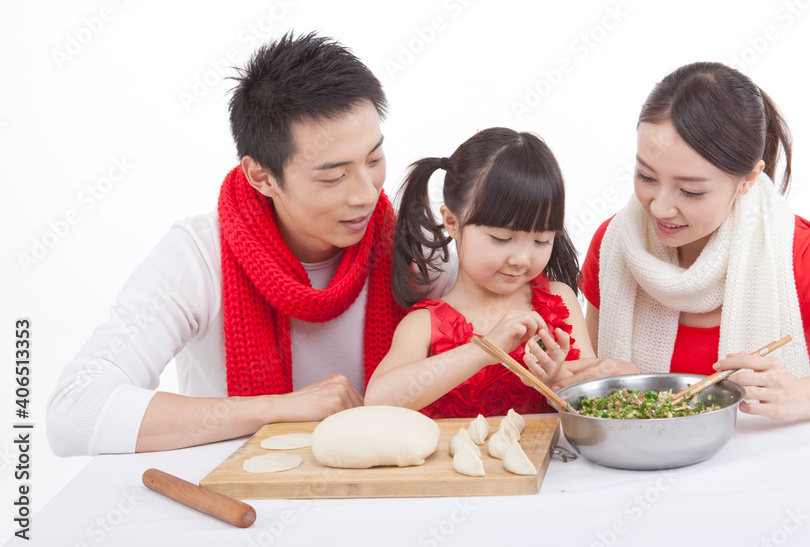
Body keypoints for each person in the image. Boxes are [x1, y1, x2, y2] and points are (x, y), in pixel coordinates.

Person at [47, 32, 446, 456]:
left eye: (374, 160)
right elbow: (73, 413)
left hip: (390, 496)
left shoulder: (413, 246)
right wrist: (278, 409)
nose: (367, 194)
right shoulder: (199, 257)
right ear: (262, 176)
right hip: (237, 504)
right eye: (333, 177)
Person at [567, 62, 810, 420]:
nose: (661, 208)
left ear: (748, 179)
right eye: (647, 177)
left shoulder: (796, 252)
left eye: (690, 192)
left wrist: (805, 395)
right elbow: (594, 382)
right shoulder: (617, 243)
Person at [364, 128, 596, 417]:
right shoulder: (425, 325)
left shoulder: (558, 300)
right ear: (451, 221)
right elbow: (376, 401)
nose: (521, 259)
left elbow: (594, 398)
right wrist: (483, 351)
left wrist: (555, 378)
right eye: (501, 239)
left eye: (541, 240)